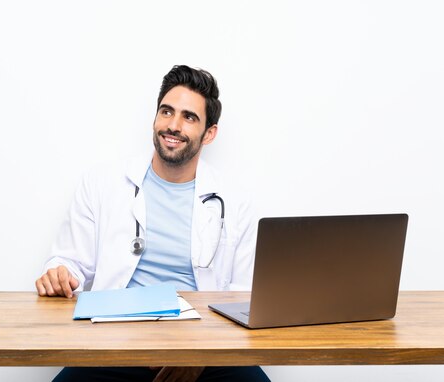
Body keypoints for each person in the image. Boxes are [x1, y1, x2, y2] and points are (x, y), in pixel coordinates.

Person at [35, 65, 270, 382]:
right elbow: (69, 262)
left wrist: (201, 355)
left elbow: (244, 299)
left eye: (189, 117)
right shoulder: (101, 183)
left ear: (209, 133)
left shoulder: (236, 203)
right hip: (114, 344)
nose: (173, 125)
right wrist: (59, 274)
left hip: (207, 347)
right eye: (166, 111)